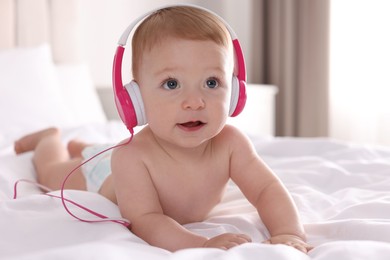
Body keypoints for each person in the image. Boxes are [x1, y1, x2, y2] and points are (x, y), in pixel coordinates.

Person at [14, 6, 312, 253]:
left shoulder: (231, 143)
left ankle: (83, 145)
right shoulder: (131, 157)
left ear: (234, 90)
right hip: (104, 176)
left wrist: (289, 232)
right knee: (51, 171)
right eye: (171, 84)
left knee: (92, 151)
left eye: (211, 83)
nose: (194, 102)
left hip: (120, 162)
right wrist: (203, 244)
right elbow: (146, 219)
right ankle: (49, 138)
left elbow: (266, 190)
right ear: (136, 99)